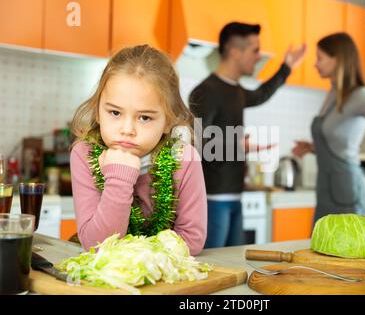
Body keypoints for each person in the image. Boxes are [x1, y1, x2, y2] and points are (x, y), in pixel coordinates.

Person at [70, 45, 207, 255]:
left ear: (168, 122)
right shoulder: (84, 154)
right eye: (115, 112)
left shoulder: (185, 159)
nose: (127, 130)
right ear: (98, 111)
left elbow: (192, 240)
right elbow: (96, 245)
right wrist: (119, 180)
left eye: (145, 117)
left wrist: (140, 260)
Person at [189, 22, 307, 248]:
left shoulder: (236, 90)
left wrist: (287, 66)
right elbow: (195, 142)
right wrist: (239, 145)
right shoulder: (205, 91)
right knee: (213, 268)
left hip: (235, 195)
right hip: (213, 199)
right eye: (255, 50)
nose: (258, 56)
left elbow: (261, 94)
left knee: (235, 264)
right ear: (235, 52)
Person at [292, 32, 365, 223]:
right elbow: (337, 140)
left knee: (347, 249)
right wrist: (313, 147)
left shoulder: (360, 95)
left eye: (319, 58)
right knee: (321, 246)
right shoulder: (333, 93)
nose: (315, 64)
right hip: (325, 188)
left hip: (346, 189)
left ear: (337, 59)